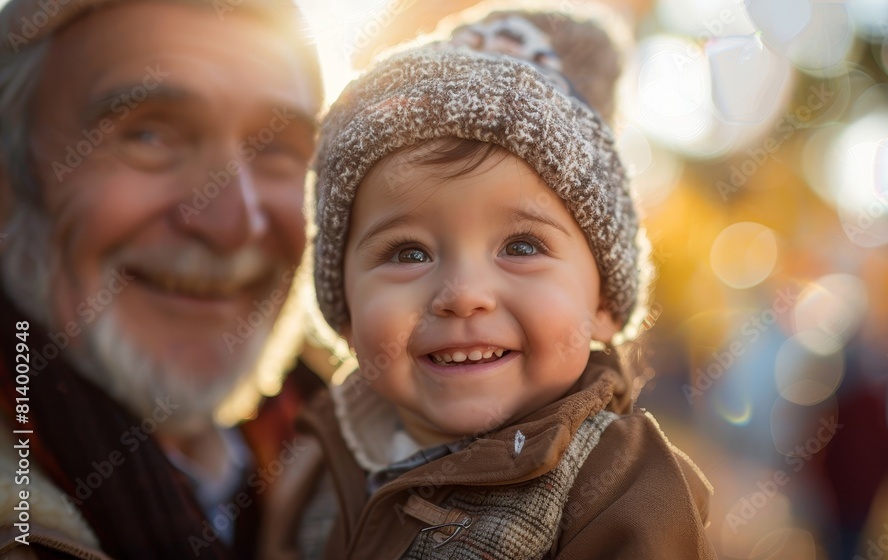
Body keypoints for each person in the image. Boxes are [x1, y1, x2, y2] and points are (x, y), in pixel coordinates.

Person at [264, 10, 718, 559]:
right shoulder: (315, 451)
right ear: (346, 313)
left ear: (603, 302)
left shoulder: (620, 483)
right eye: (408, 252)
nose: (462, 294)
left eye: (522, 247)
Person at [0, 0, 325, 557]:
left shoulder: (359, 455)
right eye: (149, 135)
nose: (232, 224)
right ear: (10, 175)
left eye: (275, 147)